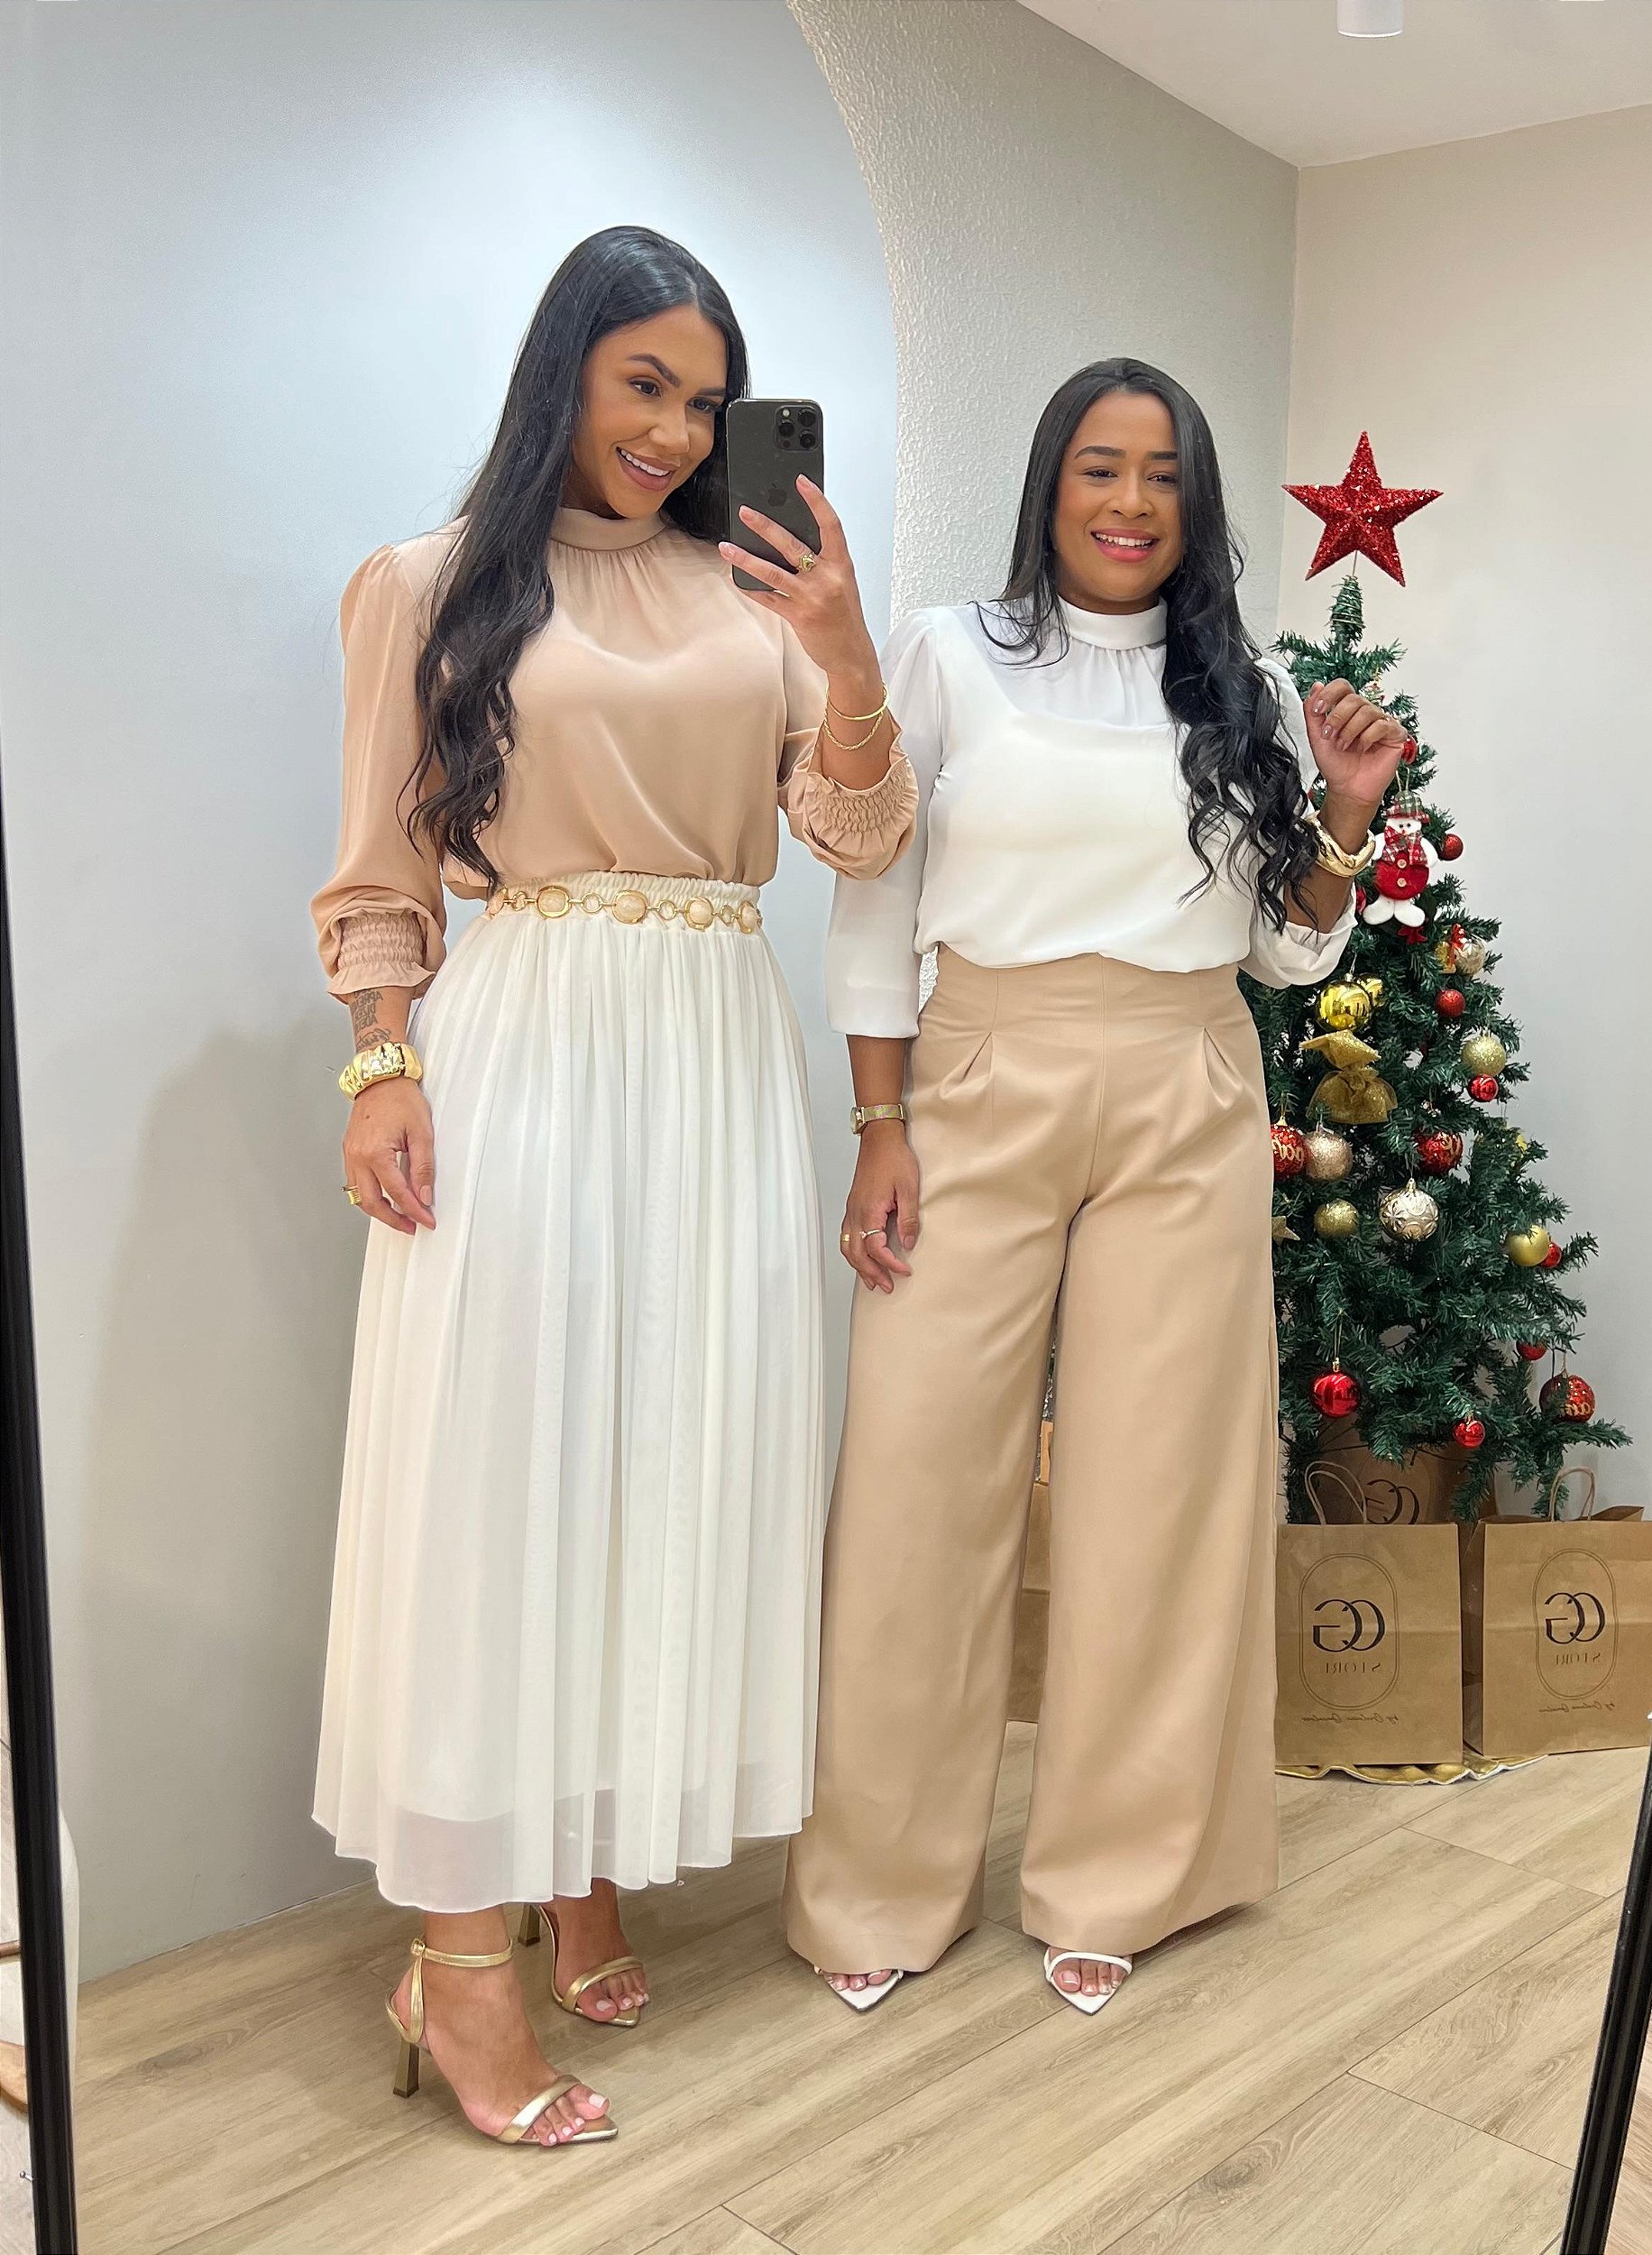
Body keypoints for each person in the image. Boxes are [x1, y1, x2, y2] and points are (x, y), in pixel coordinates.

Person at [310, 226, 914, 2144]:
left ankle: (584, 1876)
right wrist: (384, 1058)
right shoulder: (426, 584)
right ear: (562, 369)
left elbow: (860, 834)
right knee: (498, 1477)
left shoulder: (753, 595)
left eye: (708, 403)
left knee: (666, 1455)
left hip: (715, 1050)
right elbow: (379, 857)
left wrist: (841, 651)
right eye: (644, 383)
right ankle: (459, 1962)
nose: (675, 433)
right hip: (537, 1035)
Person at [783, 358, 1405, 2015]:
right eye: (1100, 469)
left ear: (1196, 506)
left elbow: (1284, 949)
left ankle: (1118, 1874)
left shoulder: (1245, 690)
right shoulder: (946, 652)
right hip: (976, 1071)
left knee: (1158, 1493)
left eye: (1163, 476)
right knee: (916, 1483)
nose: (1131, 503)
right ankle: (877, 1887)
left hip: (1185, 1077)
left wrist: (1344, 821)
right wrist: (881, 1122)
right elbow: (875, 891)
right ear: (1049, 484)